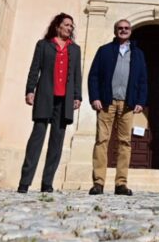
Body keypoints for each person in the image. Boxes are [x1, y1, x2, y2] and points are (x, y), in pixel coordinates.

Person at [17, 12, 82, 193]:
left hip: (64, 100)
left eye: (71, 26)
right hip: (45, 96)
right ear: (57, 26)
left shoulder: (75, 49)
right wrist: (30, 90)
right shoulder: (44, 45)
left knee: (56, 142)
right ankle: (25, 182)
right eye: (67, 25)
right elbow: (34, 69)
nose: (69, 28)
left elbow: (77, 74)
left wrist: (77, 96)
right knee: (36, 138)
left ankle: (47, 183)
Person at [86, 19, 148, 196]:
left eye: (126, 28)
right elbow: (94, 76)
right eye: (120, 28)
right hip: (106, 102)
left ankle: (121, 183)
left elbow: (143, 79)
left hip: (127, 104)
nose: (123, 30)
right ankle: (98, 182)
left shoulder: (138, 54)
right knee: (101, 141)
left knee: (125, 142)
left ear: (130, 31)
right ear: (115, 31)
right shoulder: (104, 50)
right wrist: (95, 97)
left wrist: (140, 101)